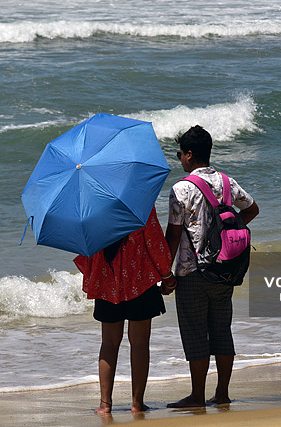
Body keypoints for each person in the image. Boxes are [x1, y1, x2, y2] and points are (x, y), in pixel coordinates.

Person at [164, 125, 259, 408]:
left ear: (189, 155)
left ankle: (196, 395)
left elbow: (173, 234)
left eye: (180, 153)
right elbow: (252, 208)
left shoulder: (181, 188)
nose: (179, 157)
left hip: (191, 272)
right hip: (225, 269)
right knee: (221, 330)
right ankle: (222, 393)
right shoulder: (227, 183)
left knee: (195, 333)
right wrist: (226, 234)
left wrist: (163, 274)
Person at [74, 207, 176, 415]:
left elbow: (85, 248)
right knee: (139, 344)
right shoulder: (142, 205)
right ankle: (137, 404)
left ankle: (105, 405)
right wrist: (167, 276)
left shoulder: (92, 209)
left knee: (109, 344)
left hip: (106, 281)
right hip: (141, 281)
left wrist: (96, 275)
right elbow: (155, 244)